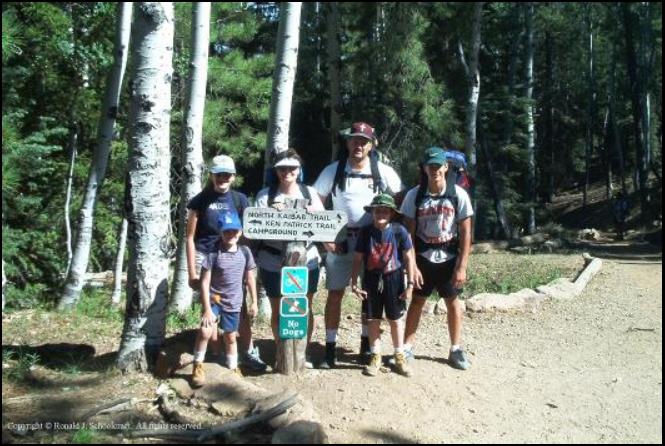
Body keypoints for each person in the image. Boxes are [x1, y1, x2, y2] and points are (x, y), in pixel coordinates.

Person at [314, 122, 404, 368]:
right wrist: (326, 237)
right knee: (335, 293)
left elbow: (400, 200)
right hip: (340, 240)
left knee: (370, 295)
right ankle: (330, 348)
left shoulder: (383, 171)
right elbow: (315, 201)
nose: (358, 145)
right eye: (354, 140)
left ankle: (367, 345)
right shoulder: (333, 171)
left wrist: (390, 233)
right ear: (347, 143)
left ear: (372, 144)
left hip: (373, 242)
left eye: (364, 141)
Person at [186, 154, 267, 372]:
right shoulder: (200, 200)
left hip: (233, 255)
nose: (223, 178)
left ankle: (247, 352)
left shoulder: (240, 200)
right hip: (206, 255)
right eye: (218, 174)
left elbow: (249, 231)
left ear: (233, 177)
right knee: (210, 307)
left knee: (238, 308)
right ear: (212, 175)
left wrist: (245, 261)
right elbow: (189, 238)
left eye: (227, 175)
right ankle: (213, 356)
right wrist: (191, 271)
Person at [399, 147, 473, 370]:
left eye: (438, 166)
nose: (435, 170)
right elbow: (407, 234)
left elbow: (467, 232)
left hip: (449, 256)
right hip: (422, 256)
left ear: (446, 167)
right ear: (424, 168)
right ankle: (407, 347)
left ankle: (455, 348)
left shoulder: (458, 194)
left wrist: (462, 266)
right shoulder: (415, 195)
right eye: (430, 166)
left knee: (452, 302)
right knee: (418, 301)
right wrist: (411, 266)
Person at [254, 149, 324, 367]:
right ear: (276, 171)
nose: (287, 172)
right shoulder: (265, 196)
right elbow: (256, 227)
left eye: (292, 168)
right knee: (278, 307)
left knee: (304, 305)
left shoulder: (309, 193)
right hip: (272, 261)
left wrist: (312, 212)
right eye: (282, 168)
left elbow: (323, 224)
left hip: (307, 260)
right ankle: (281, 353)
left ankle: (304, 353)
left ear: (299, 170)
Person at [350, 193, 415, 377]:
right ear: (372, 212)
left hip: (393, 278)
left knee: (395, 319)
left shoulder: (399, 231)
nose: (381, 214)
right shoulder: (366, 231)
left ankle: (399, 355)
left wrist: (410, 284)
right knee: (372, 319)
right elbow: (358, 258)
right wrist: (354, 282)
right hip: (371, 279)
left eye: (385, 211)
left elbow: (409, 257)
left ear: (392, 213)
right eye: (378, 210)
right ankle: (375, 355)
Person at [191, 212, 258, 387]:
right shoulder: (213, 254)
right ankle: (197, 365)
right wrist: (206, 308)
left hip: (234, 301)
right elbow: (204, 282)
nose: (231, 235)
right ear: (221, 233)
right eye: (227, 232)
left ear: (240, 232)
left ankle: (233, 367)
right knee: (205, 331)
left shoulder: (245, 252)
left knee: (230, 336)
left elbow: (250, 278)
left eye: (234, 231)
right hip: (214, 299)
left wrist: (254, 302)